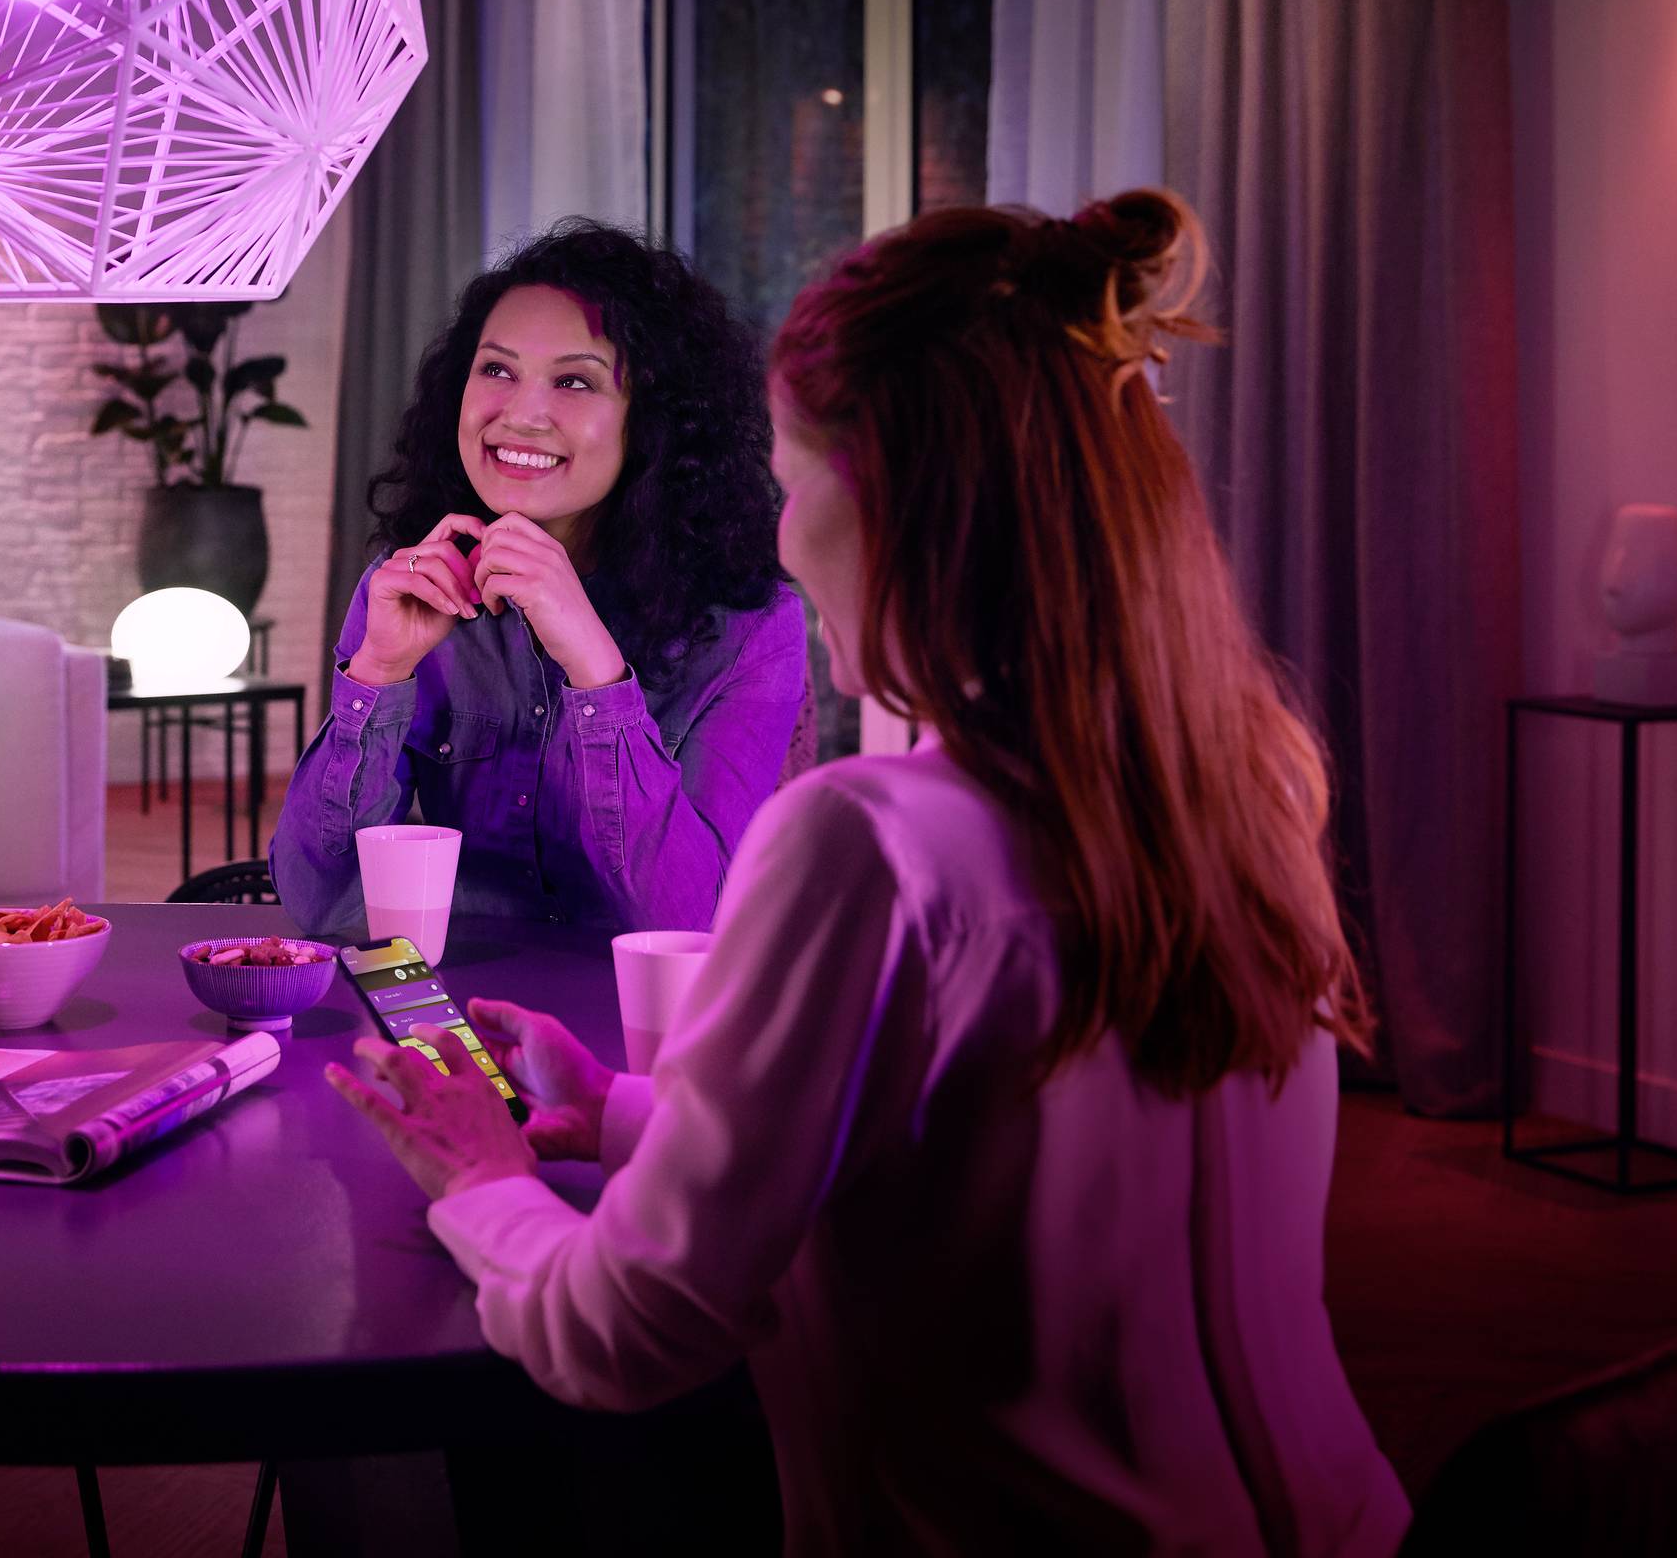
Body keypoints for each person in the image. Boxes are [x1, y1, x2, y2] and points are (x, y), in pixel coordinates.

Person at [328, 192, 1411, 1555]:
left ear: (899, 507)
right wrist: (622, 1111)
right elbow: (983, 1149)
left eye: (798, 485)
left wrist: (481, 1177)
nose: (783, 533)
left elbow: (627, 1332)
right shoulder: (1255, 786)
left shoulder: (866, 839)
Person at [270, 222, 809, 938]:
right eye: (496, 370)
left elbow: (687, 923)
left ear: (655, 420)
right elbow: (321, 898)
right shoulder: (413, 587)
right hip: (459, 992)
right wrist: (379, 671)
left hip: (635, 1004)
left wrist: (596, 673)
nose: (519, 416)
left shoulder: (752, 628)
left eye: (574, 381)